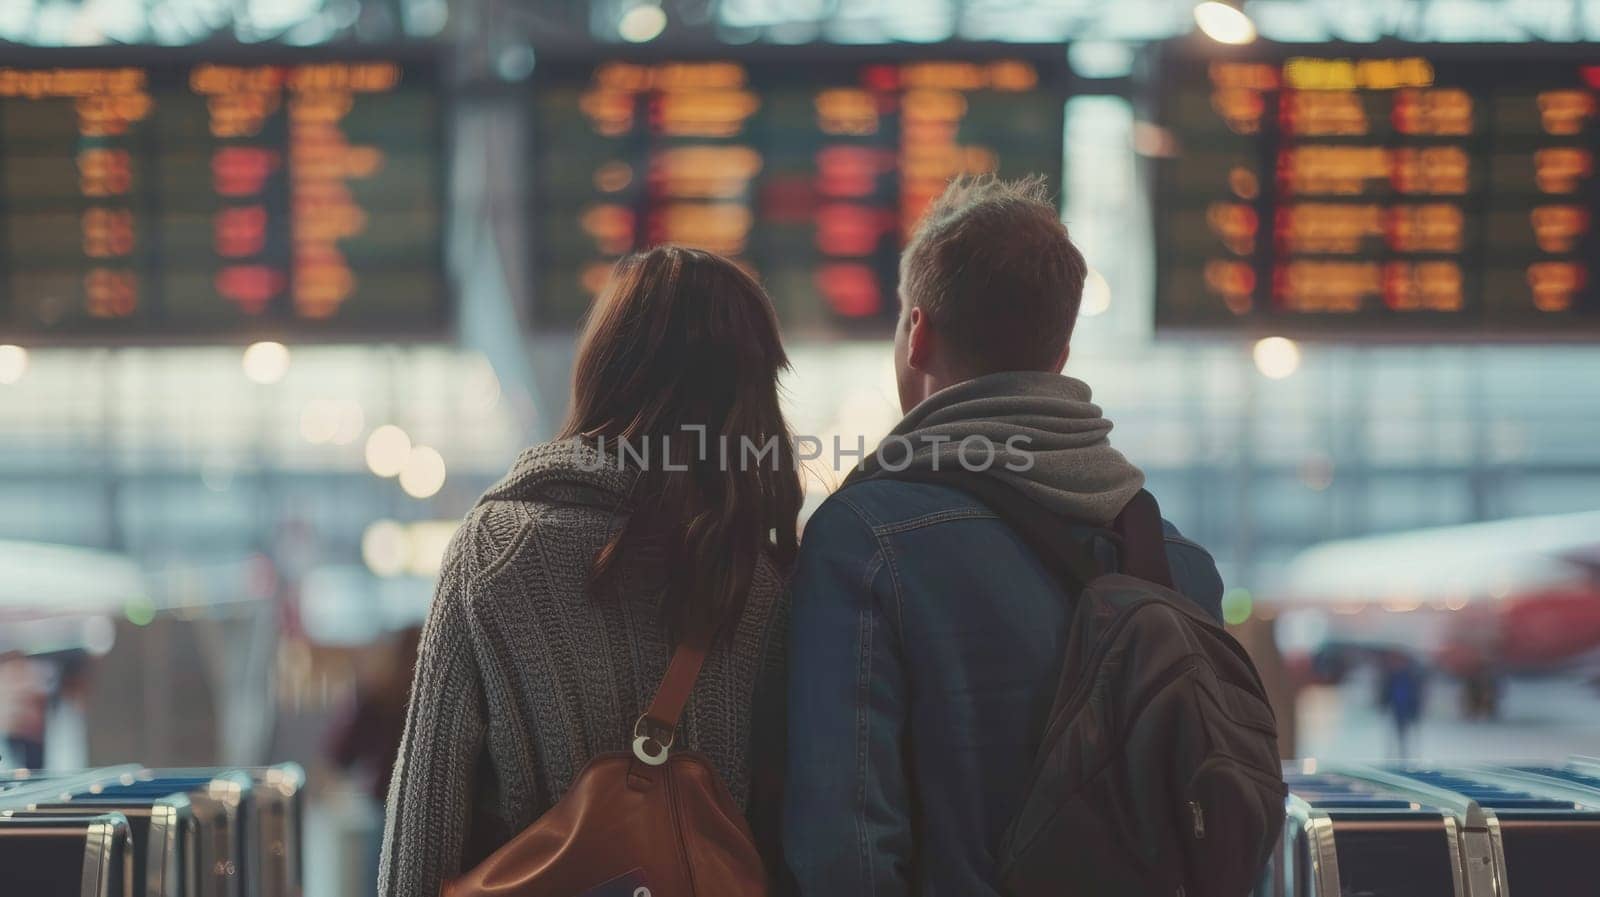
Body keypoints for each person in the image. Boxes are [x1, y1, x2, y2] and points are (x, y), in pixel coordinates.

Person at [784, 175, 1226, 897]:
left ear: (918, 332)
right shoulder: (1178, 564)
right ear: (1060, 351)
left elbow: (846, 850)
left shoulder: (865, 543)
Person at [380, 246, 804, 897]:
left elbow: (416, 854)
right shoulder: (777, 577)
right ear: (751, 394)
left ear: (604, 368)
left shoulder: (494, 551)